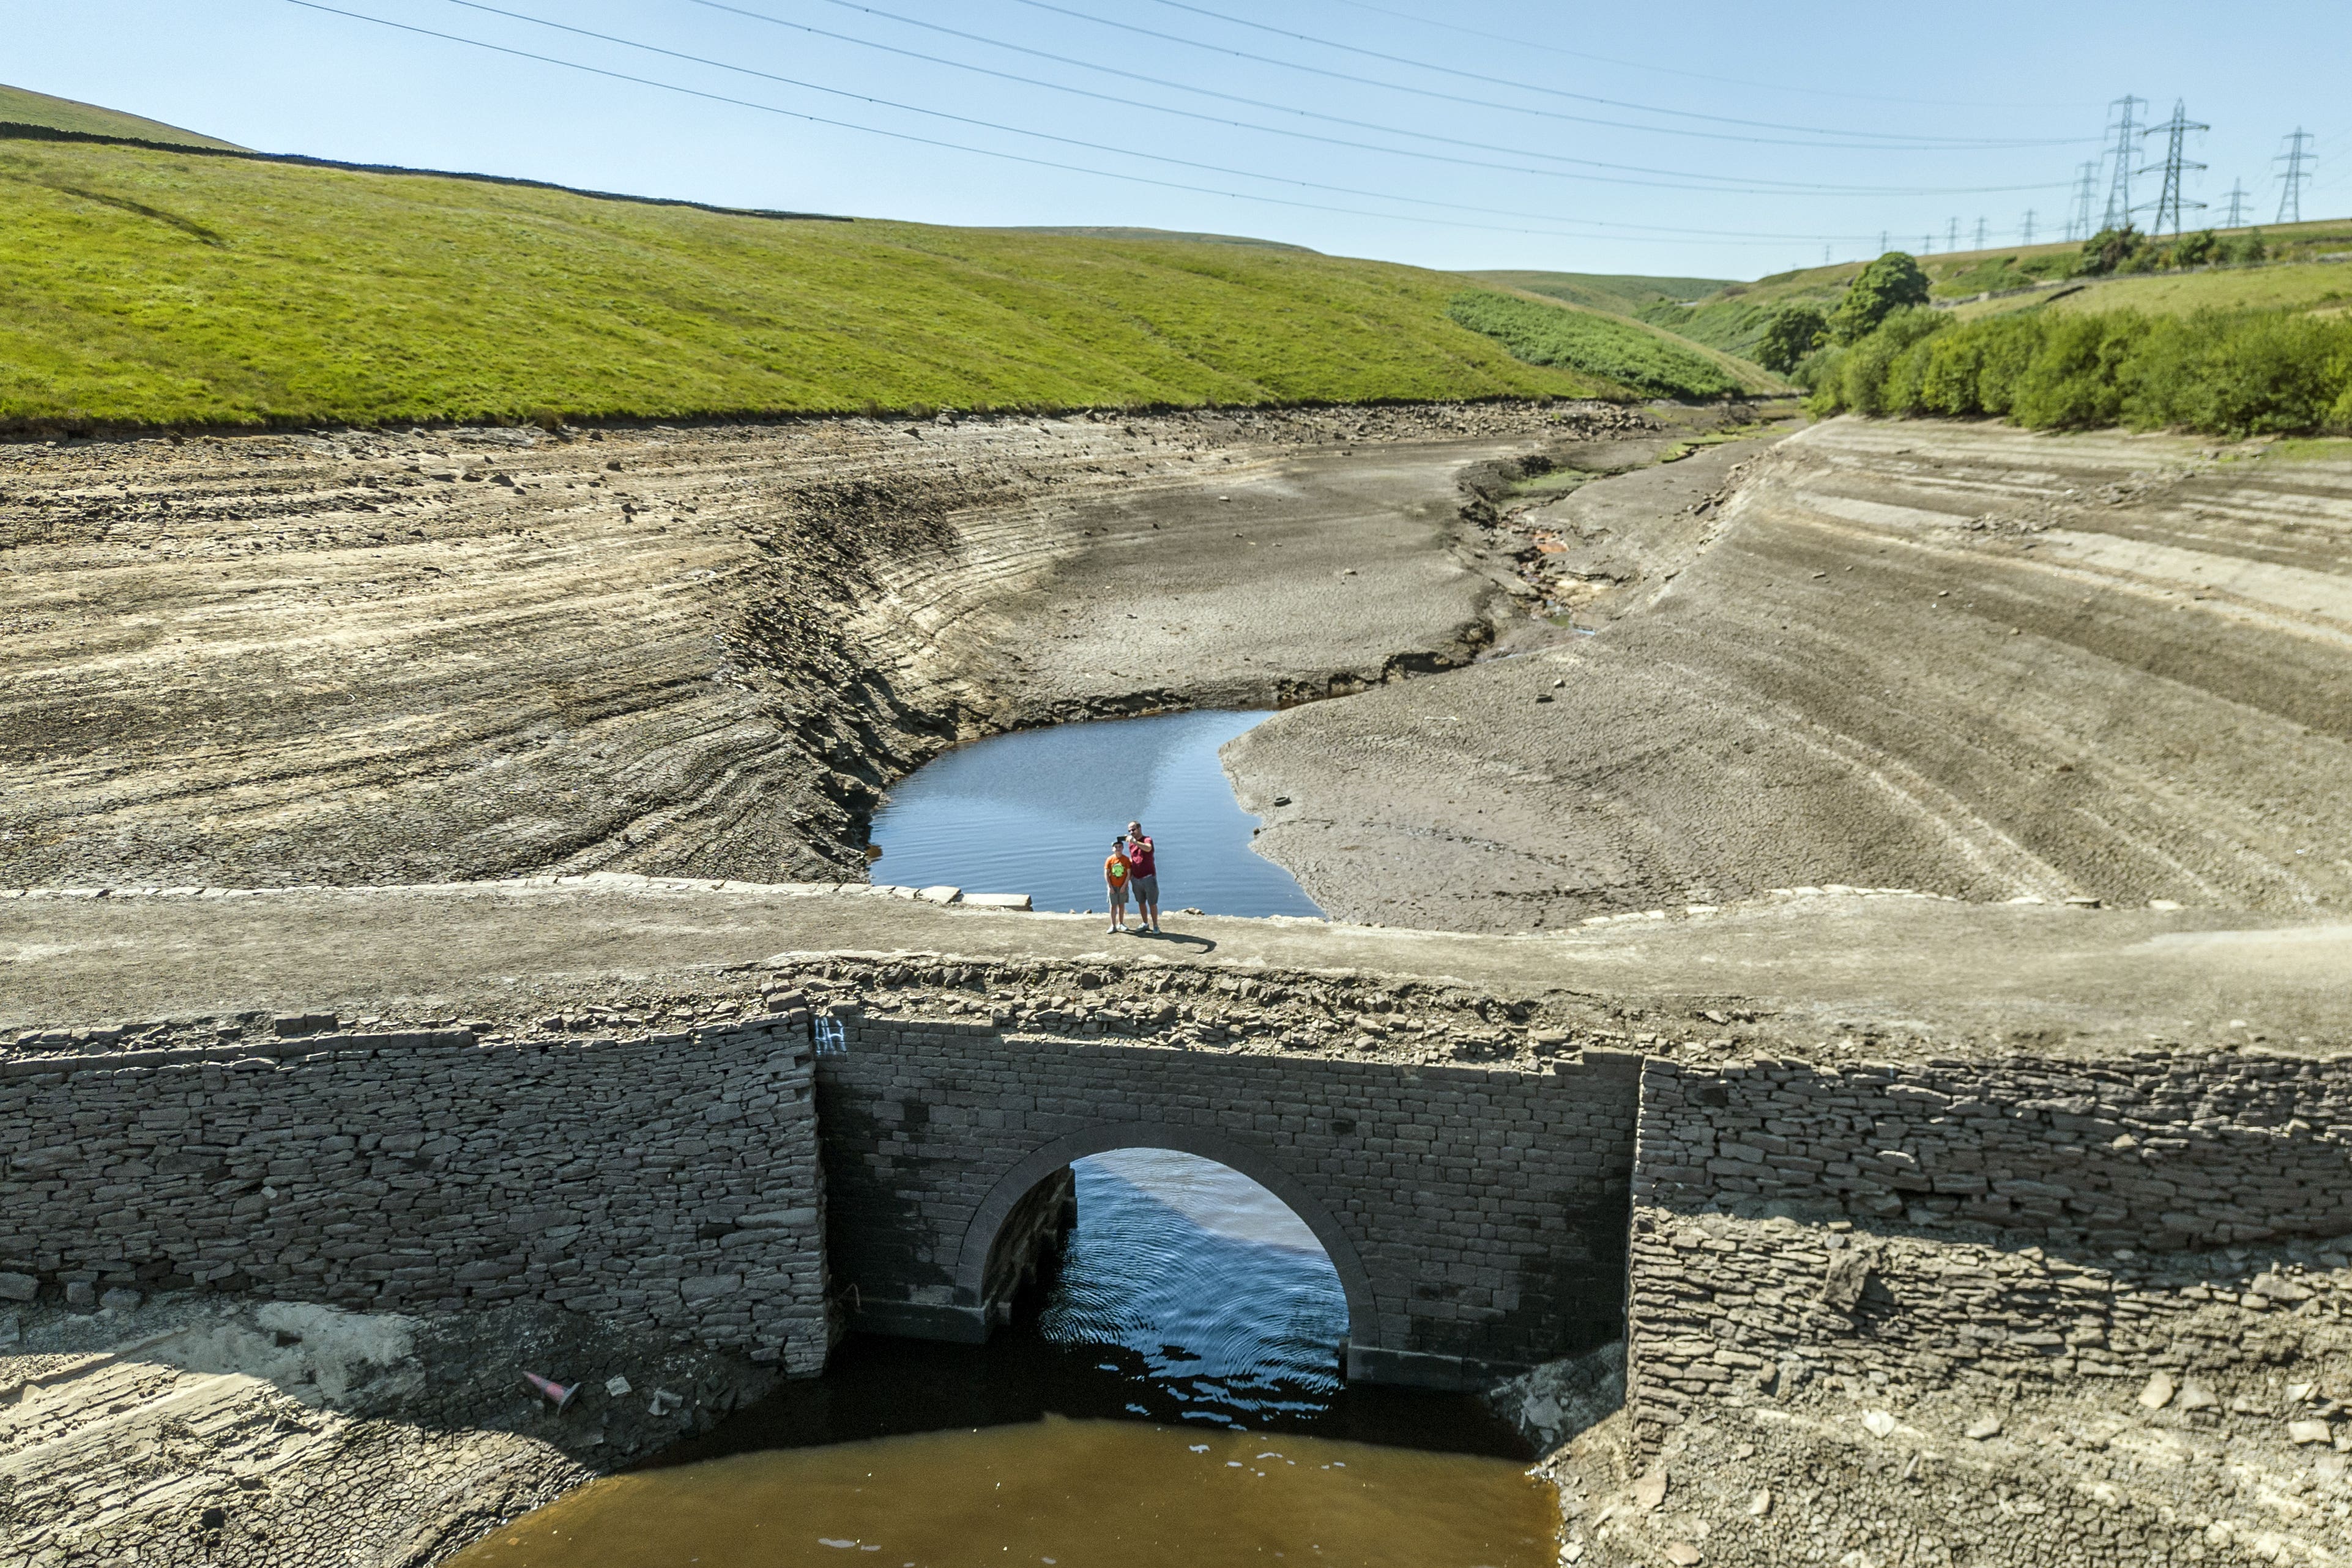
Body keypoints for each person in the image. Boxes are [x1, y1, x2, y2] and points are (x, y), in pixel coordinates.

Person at [1125, 820, 1160, 934]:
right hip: (1136, 878)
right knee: (1141, 902)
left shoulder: (1147, 840)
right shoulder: (1131, 843)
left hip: (1149, 877)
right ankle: (1145, 923)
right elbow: (1133, 858)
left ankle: (1155, 926)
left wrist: (1135, 842)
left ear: (1139, 828)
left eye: (1133, 830)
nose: (1131, 832)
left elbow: (1148, 848)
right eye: (1129, 831)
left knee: (1152, 903)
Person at [1102, 836, 1133, 934]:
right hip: (1113, 886)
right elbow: (1106, 874)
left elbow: (1129, 874)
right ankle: (1113, 925)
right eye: (1116, 847)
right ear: (1113, 849)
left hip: (1123, 886)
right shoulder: (1110, 860)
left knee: (1122, 905)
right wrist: (1110, 887)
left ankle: (1121, 923)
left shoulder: (1126, 860)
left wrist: (1124, 886)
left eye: (1120, 847)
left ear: (1123, 848)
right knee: (1113, 906)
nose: (1118, 848)